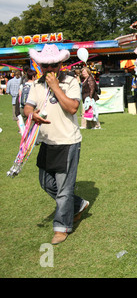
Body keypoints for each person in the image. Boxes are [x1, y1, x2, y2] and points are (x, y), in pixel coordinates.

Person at [24, 44, 89, 245]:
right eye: (45, 66)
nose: (49, 69)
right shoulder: (36, 85)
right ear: (39, 65)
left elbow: (72, 108)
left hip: (67, 141)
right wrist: (30, 114)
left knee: (63, 188)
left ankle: (62, 226)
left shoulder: (70, 82)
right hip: (46, 141)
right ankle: (78, 204)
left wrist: (54, 87)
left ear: (60, 64)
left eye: (53, 65)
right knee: (46, 183)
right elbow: (27, 107)